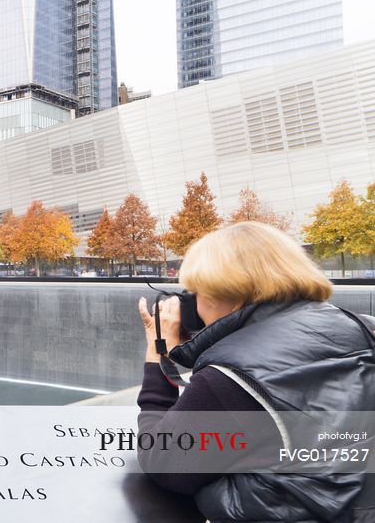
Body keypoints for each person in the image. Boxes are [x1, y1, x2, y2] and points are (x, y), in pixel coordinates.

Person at [136, 222, 374, 522]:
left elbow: (163, 461)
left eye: (195, 292)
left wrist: (157, 356)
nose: (191, 304)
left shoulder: (230, 377)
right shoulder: (365, 327)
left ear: (225, 294)